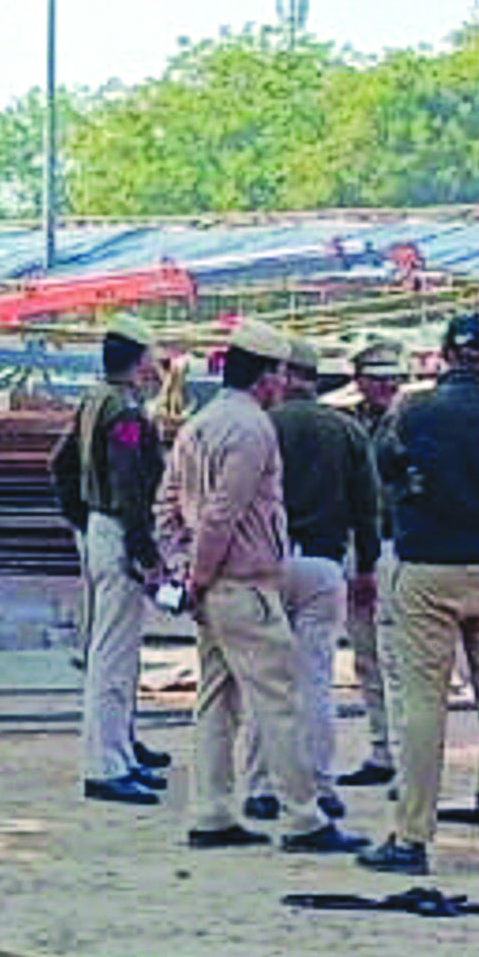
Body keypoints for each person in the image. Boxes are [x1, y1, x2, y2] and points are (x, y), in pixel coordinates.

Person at [153, 322, 346, 854]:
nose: (284, 384)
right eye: (281, 373)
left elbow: (167, 506)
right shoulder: (253, 429)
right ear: (266, 377)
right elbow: (223, 514)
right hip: (243, 582)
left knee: (216, 700)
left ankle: (211, 810)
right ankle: (303, 816)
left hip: (212, 586)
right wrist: (200, 573)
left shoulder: (197, 425)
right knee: (279, 701)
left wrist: (181, 568)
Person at [361, 311, 479, 878]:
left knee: (421, 706)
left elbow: (385, 468)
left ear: (442, 355)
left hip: (429, 565)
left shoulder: (414, 412)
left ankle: (413, 836)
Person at [248, 336, 379, 839]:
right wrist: (366, 567)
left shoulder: (261, 427)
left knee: (266, 679)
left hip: (267, 561)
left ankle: (261, 785)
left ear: (281, 375)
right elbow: (367, 508)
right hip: (325, 563)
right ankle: (320, 785)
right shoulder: (345, 431)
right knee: (316, 681)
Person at [47, 319, 173, 806]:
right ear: (140, 359)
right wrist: (145, 554)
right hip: (119, 532)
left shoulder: (94, 399)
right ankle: (105, 765)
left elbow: (59, 464)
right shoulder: (123, 411)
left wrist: (82, 519)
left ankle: (122, 753)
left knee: (117, 651)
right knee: (112, 657)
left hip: (100, 528)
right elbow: (130, 489)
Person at [333, 337, 408, 788]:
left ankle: (400, 753)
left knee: (395, 656)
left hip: (392, 544)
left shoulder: (408, 425)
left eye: (389, 379)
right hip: (361, 545)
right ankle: (382, 749)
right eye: (374, 379)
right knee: (366, 656)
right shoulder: (352, 424)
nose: (383, 387)